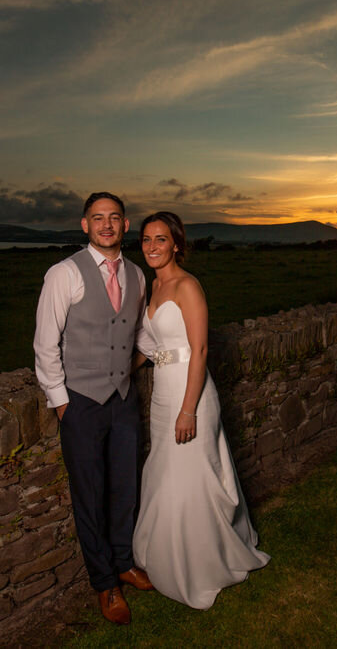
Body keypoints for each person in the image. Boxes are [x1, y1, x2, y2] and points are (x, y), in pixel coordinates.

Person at [132, 211, 270, 609]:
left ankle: (201, 562)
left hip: (190, 395)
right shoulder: (153, 287)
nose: (152, 247)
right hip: (162, 395)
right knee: (164, 471)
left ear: (176, 244)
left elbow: (200, 350)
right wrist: (114, 377)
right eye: (146, 240)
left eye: (160, 239)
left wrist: (188, 409)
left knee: (193, 474)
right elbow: (148, 346)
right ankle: (165, 555)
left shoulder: (188, 286)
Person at [33, 192, 157, 625]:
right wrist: (63, 404)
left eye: (115, 218)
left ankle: (124, 561)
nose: (107, 225)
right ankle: (105, 584)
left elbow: (138, 334)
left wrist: (143, 360)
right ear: (84, 225)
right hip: (81, 404)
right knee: (90, 496)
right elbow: (45, 346)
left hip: (123, 401)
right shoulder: (64, 274)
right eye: (98, 218)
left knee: (126, 487)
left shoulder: (138, 276)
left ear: (126, 225)